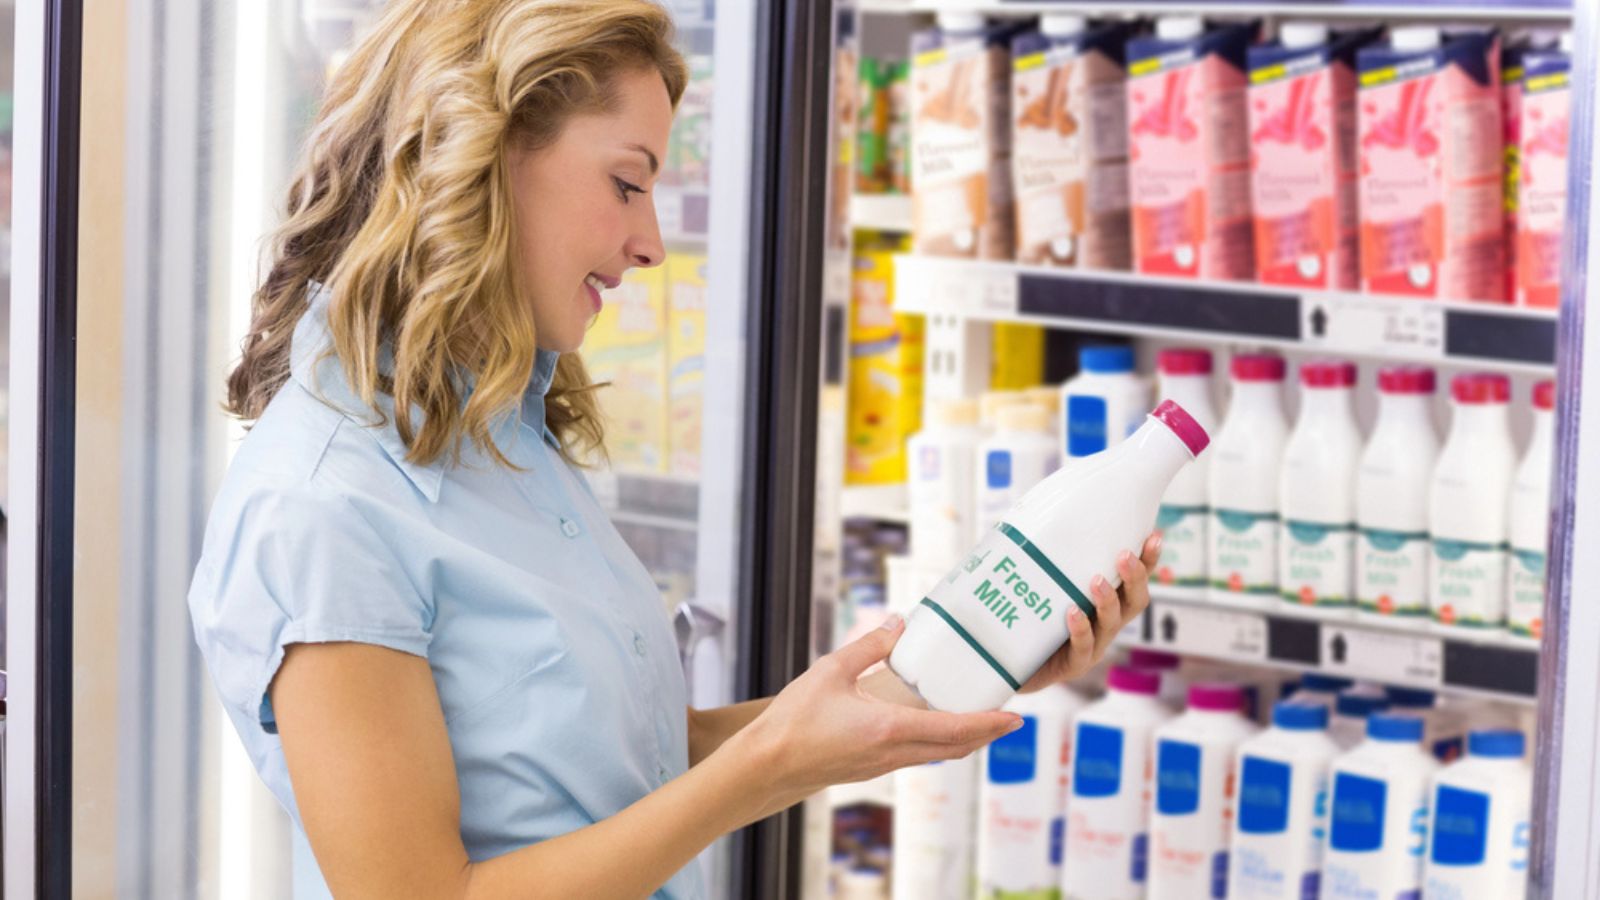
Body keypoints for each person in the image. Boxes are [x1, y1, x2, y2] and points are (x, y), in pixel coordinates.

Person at [186, 1, 1161, 897]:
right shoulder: (321, 511)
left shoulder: (495, 436)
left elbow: (619, 767)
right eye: (626, 182)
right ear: (477, 157)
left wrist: (942, 674)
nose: (650, 242)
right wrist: (768, 767)